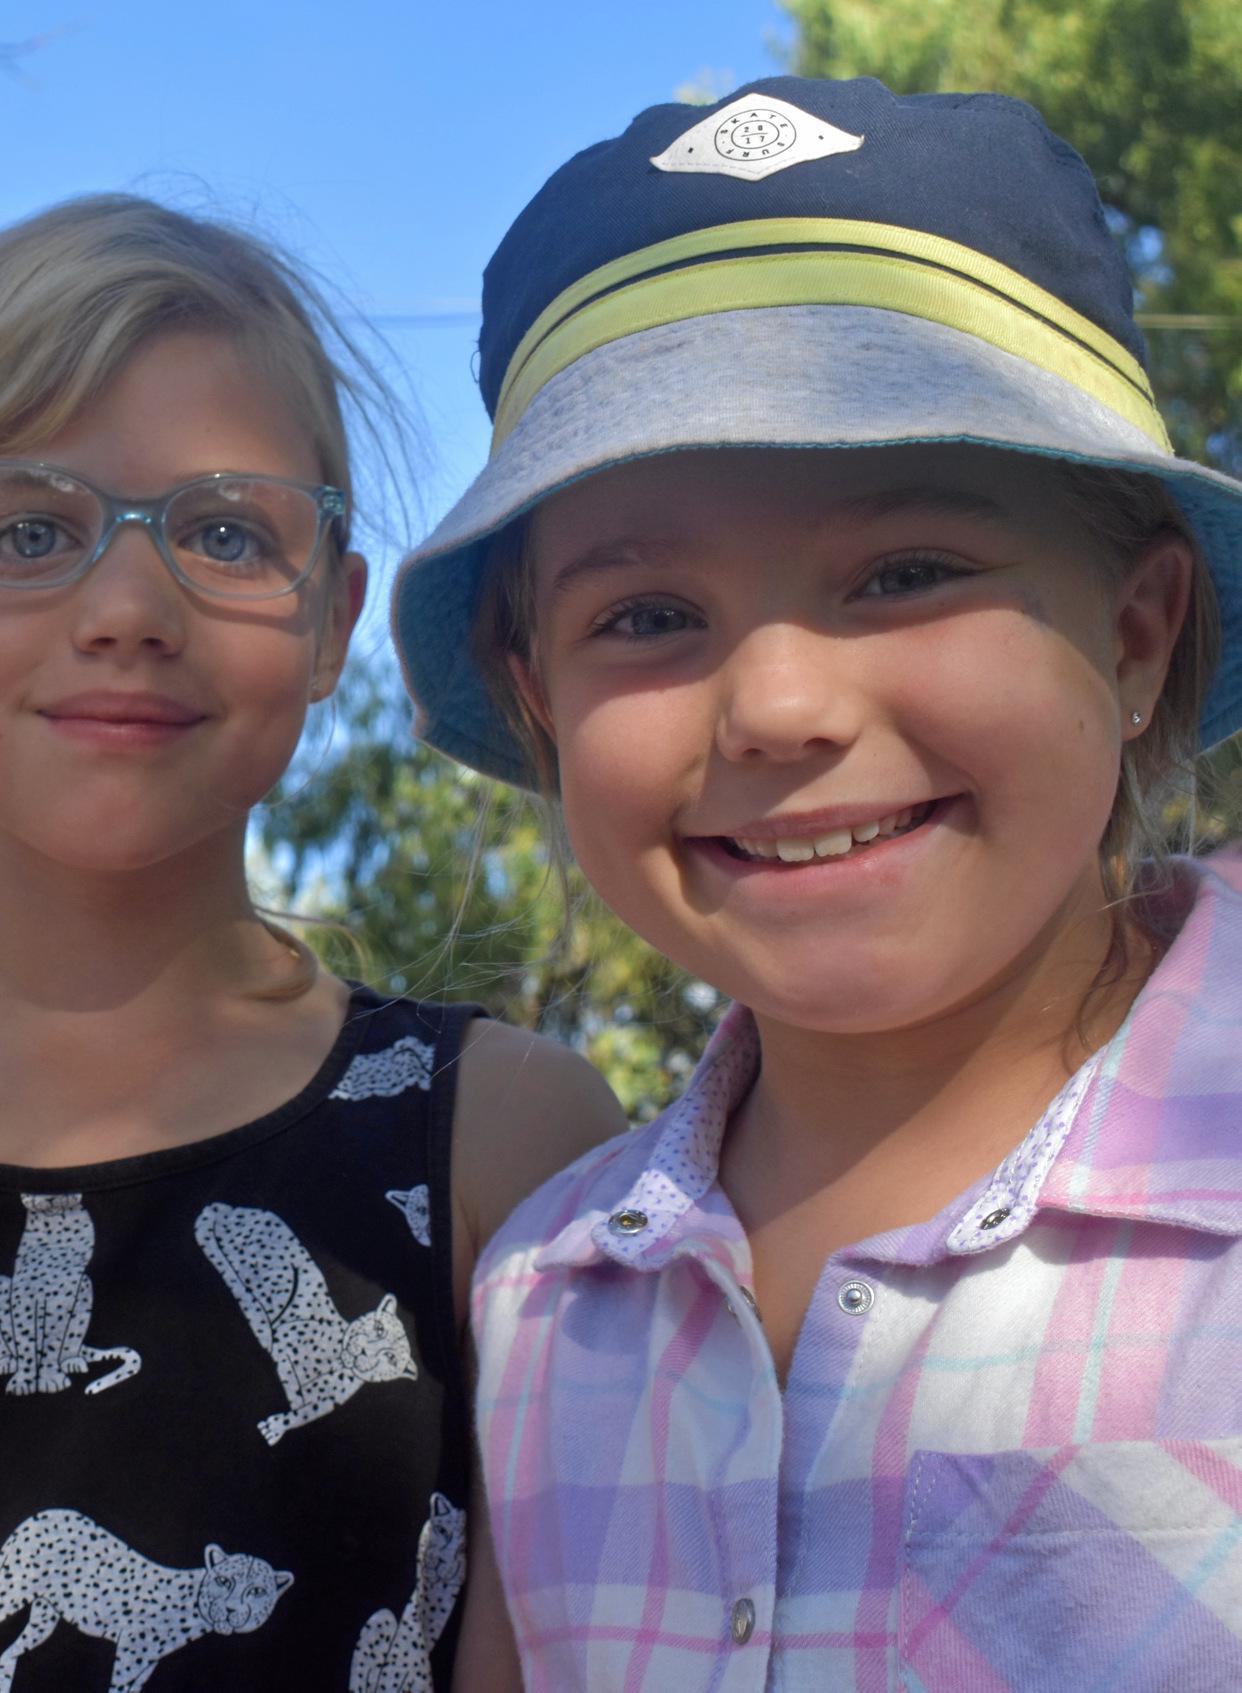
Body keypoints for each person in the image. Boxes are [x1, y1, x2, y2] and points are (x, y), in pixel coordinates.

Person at [0, 195, 627, 1692]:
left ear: (333, 616)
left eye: (223, 532)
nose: (128, 605)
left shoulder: (501, 1138)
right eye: (28, 530)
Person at [393, 77, 1242, 1690]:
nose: (778, 705)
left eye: (905, 572)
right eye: (642, 614)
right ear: (533, 697)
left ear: (1131, 637)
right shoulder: (544, 1299)